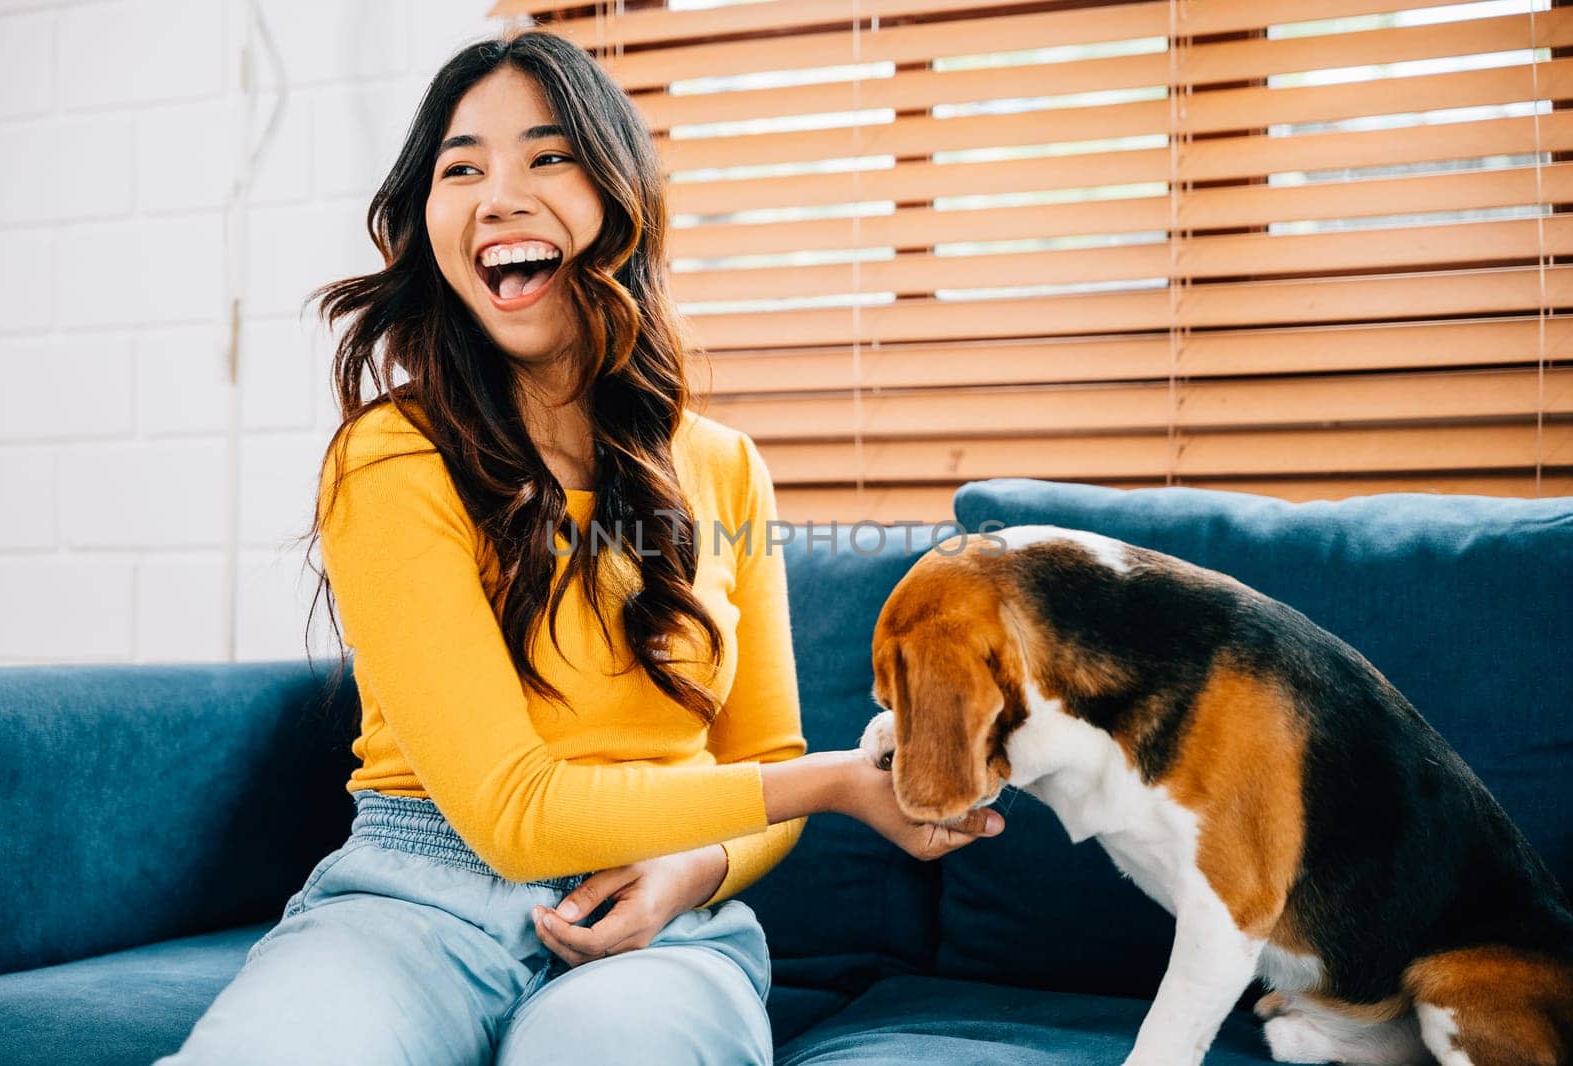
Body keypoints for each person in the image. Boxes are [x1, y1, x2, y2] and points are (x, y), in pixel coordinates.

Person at [156, 30, 1004, 1066]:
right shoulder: (390, 458)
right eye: (459, 167)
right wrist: (838, 783)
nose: (497, 195)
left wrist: (687, 871)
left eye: (546, 156)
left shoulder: (724, 466)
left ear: (619, 199)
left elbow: (760, 757)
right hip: (411, 904)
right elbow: (515, 812)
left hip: (665, 925)